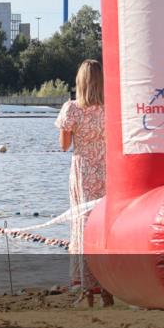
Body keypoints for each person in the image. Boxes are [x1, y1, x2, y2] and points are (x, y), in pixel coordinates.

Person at [55, 59, 113, 308]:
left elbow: (64, 145)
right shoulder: (111, 108)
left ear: (80, 82)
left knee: (82, 224)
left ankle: (86, 288)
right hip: (108, 169)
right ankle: (109, 287)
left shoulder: (72, 108)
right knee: (105, 225)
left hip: (83, 170)